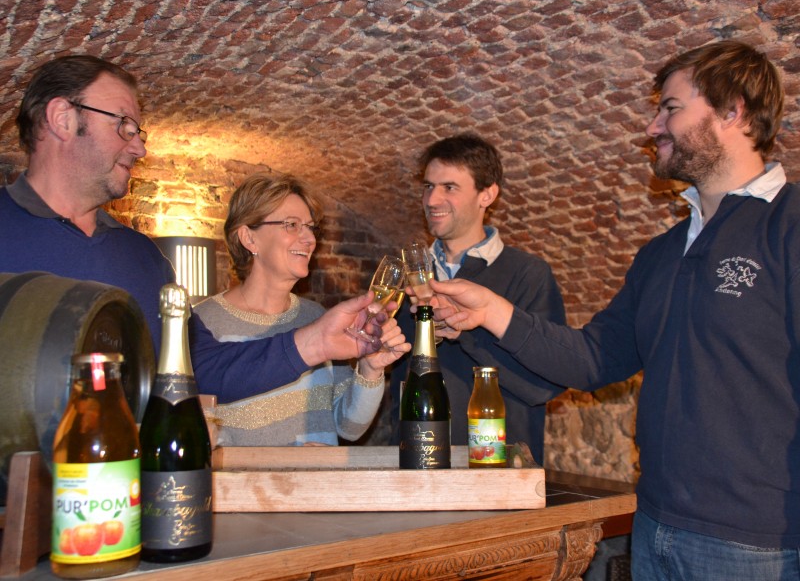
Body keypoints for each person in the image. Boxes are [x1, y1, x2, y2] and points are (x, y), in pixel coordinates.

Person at [428, 41, 800, 579]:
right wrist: (490, 309)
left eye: (671, 108)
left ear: (732, 110)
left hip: (759, 546)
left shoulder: (788, 229)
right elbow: (593, 358)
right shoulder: (662, 253)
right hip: (654, 524)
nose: (653, 127)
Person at [0, 54, 397, 401]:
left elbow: (198, 371)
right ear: (62, 118)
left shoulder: (141, 256)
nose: (139, 147)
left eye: (138, 131)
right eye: (123, 125)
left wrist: (317, 341)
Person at [193, 173, 409, 445]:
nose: (309, 238)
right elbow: (205, 443)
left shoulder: (316, 317)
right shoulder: (204, 323)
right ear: (249, 238)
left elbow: (349, 427)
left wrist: (370, 369)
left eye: (310, 227)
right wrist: (286, 463)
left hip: (320, 487)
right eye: (292, 225)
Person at [389, 133, 566, 465]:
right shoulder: (405, 278)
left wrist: (466, 330)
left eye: (449, 187)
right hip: (416, 464)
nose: (432, 199)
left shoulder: (528, 274)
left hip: (496, 469)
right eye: (428, 186)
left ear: (487, 194)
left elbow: (546, 385)